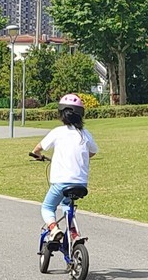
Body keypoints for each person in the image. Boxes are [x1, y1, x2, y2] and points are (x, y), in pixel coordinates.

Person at [29, 94, 99, 248]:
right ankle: (74, 233)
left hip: (60, 182)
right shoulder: (85, 134)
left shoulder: (58, 132)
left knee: (47, 207)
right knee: (68, 206)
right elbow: (93, 151)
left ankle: (54, 229)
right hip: (81, 184)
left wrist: (37, 154)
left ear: (61, 114)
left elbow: (38, 148)